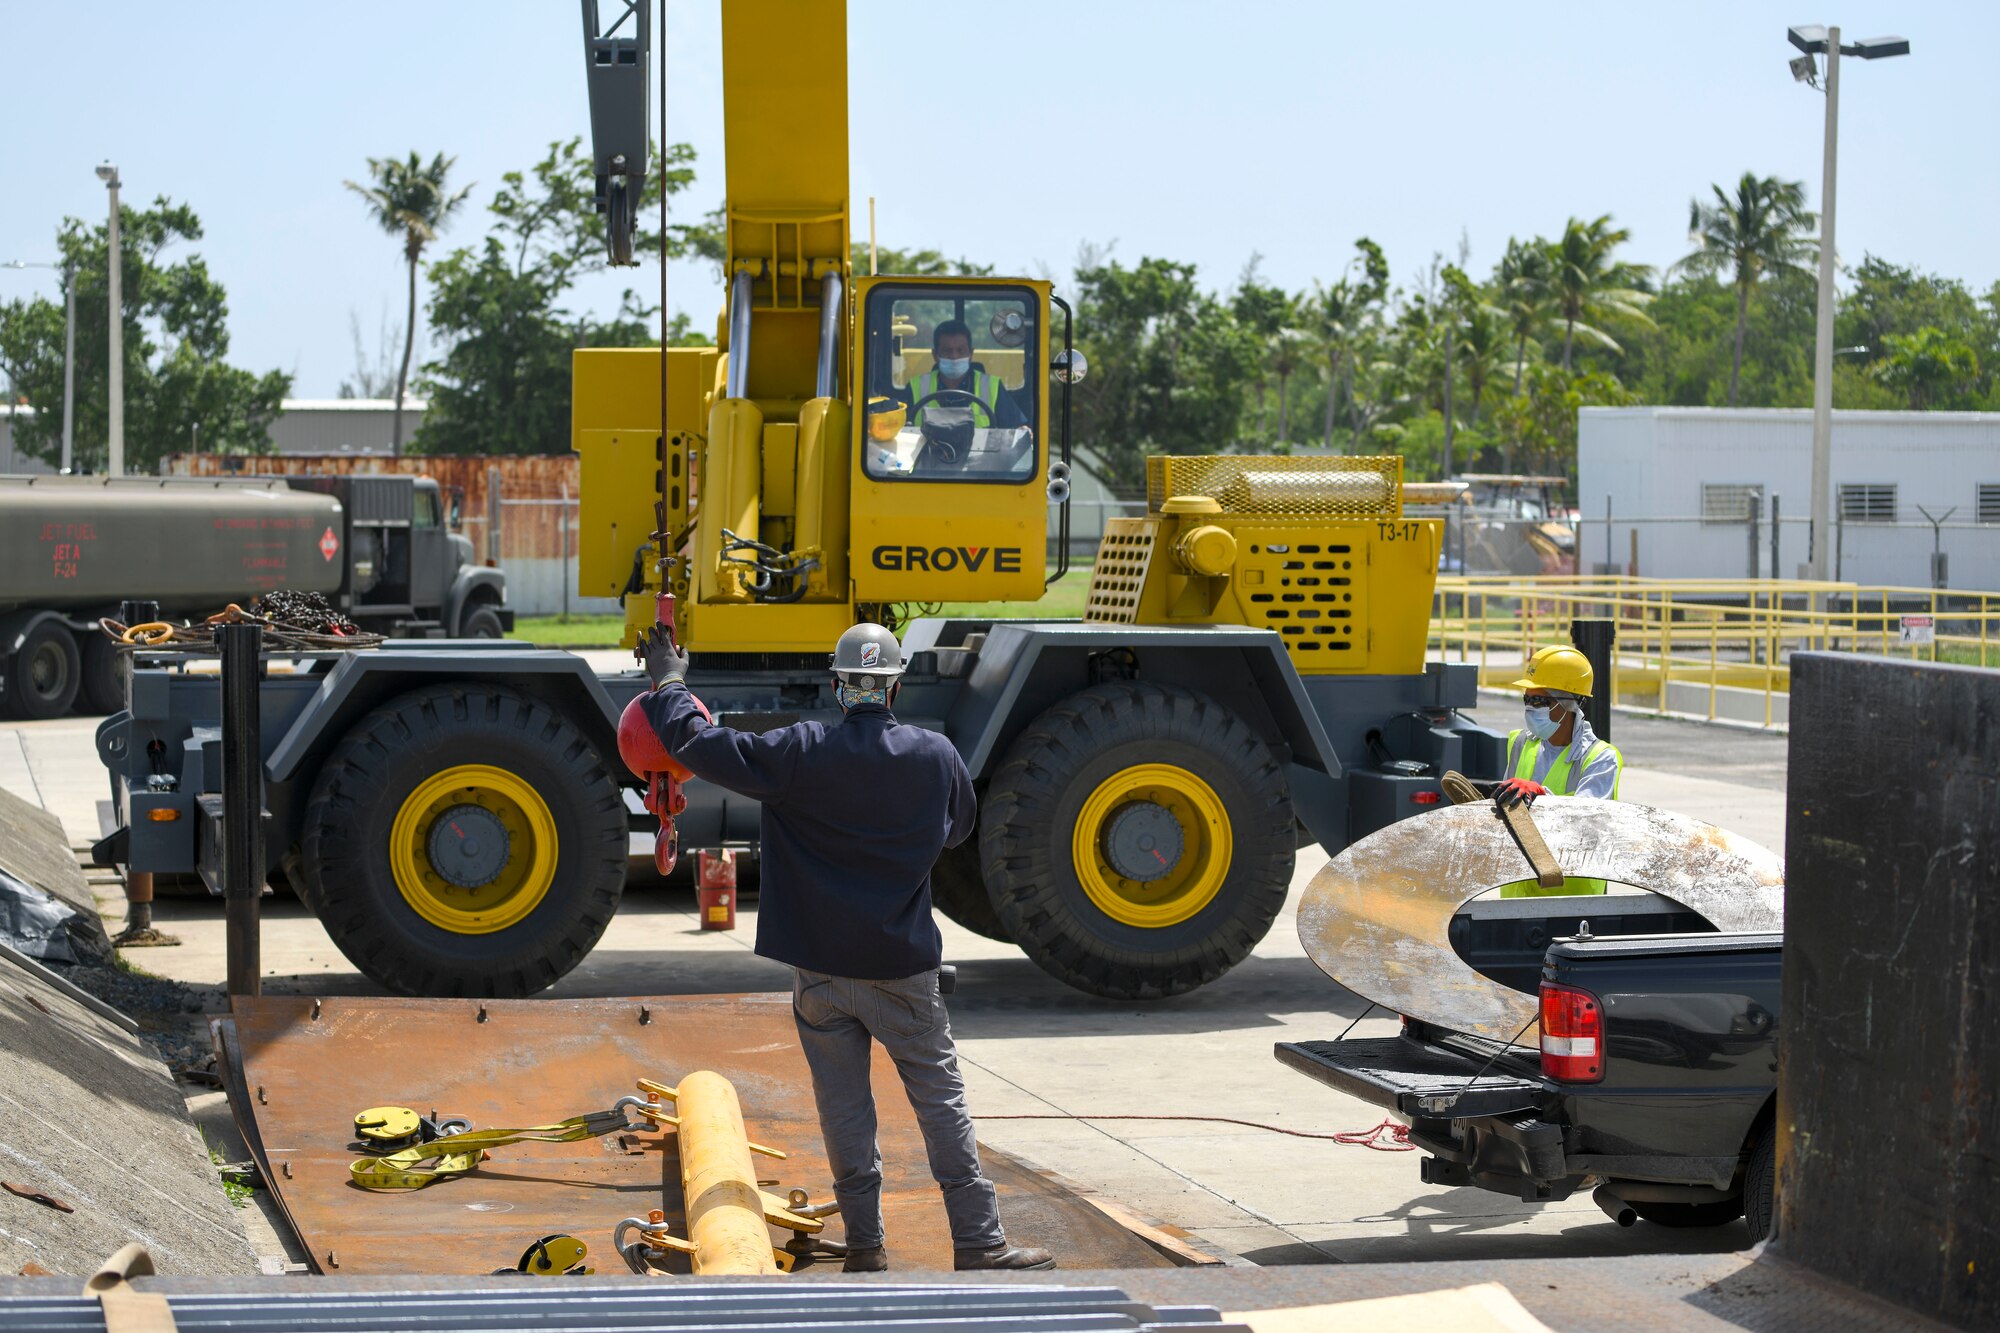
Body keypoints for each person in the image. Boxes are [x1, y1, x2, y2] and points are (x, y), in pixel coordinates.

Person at [637, 621, 1055, 1273]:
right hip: (903, 967)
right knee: (940, 1103)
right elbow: (957, 831)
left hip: (822, 973)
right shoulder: (935, 755)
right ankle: (978, 1241)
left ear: (838, 687)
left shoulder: (801, 752)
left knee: (843, 1110)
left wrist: (669, 679)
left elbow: (697, 741)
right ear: (893, 688)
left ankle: (866, 1245)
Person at [1493, 644, 1622, 898]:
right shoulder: (1521, 743)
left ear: (1569, 703)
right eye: (1527, 699)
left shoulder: (1601, 759)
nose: (1530, 707)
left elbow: (1587, 821)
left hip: (1572, 904)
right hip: (1516, 898)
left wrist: (1542, 795)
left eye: (1539, 700)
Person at [903, 319, 1025, 430]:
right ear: (935, 355)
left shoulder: (992, 386)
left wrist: (1023, 430)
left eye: (960, 350)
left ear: (971, 353)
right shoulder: (916, 387)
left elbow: (1016, 429)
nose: (954, 356)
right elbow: (899, 431)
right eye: (947, 351)